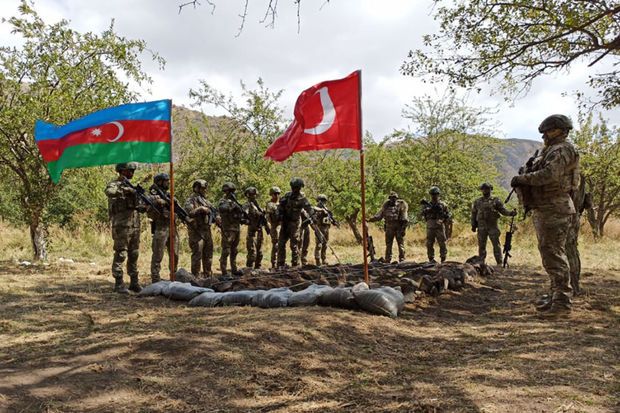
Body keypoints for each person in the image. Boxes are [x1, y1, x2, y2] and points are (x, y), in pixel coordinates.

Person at [510, 114, 580, 315]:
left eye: (549, 131)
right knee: (550, 255)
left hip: (555, 208)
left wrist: (523, 179)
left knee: (554, 255)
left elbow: (550, 175)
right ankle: (555, 296)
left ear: (560, 130)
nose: (545, 135)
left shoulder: (563, 149)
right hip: (546, 207)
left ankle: (562, 303)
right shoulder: (551, 150)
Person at [105, 162, 145, 294]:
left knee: (134, 254)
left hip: (134, 225)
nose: (132, 173)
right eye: (130, 171)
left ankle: (134, 282)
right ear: (122, 171)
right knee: (121, 253)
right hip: (121, 225)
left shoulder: (132, 186)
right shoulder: (115, 184)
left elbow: (140, 205)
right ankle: (119, 283)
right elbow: (109, 192)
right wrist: (123, 190)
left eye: (133, 171)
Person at [471, 183, 517, 265]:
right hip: (481, 227)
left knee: (496, 245)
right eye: (484, 189)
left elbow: (503, 211)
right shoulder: (477, 201)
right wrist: (473, 225)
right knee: (481, 245)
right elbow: (474, 214)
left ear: (490, 189)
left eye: (487, 188)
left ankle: (499, 262)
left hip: (492, 226)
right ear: (481, 190)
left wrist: (510, 213)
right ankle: (481, 262)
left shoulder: (496, 200)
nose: (485, 190)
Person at [147, 173, 179, 283]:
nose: (168, 182)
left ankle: (173, 275)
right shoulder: (153, 195)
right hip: (161, 227)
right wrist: (159, 202)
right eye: (166, 180)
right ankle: (155, 278)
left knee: (174, 253)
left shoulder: (169, 195)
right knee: (158, 254)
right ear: (160, 182)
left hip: (172, 227)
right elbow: (148, 205)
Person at [277, 178, 314, 267]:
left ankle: (295, 264)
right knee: (281, 243)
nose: (296, 189)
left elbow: (310, 209)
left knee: (294, 245)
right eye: (294, 187)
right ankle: (280, 263)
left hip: (295, 224)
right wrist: (279, 215)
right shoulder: (287, 196)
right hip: (285, 223)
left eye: (297, 187)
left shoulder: (302, 199)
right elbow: (280, 207)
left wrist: (312, 216)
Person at [185, 179, 219, 278]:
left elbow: (214, 211)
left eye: (205, 188)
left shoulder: (205, 201)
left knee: (208, 254)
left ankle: (208, 274)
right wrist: (200, 209)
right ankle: (196, 277)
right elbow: (189, 212)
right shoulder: (191, 200)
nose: (205, 190)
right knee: (197, 255)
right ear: (196, 188)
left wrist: (217, 216)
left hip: (206, 231)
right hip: (197, 231)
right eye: (202, 188)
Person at [566, 174, 592, 295]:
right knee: (573, 252)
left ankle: (572, 287)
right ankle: (574, 285)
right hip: (574, 219)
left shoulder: (570, 179)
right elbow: (588, 204)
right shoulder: (582, 179)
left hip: (568, 220)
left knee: (569, 253)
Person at [368, 191, 409, 263]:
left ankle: (402, 259)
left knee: (400, 244)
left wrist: (403, 229)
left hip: (398, 227)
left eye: (394, 198)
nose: (393, 199)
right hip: (389, 227)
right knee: (388, 244)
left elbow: (405, 219)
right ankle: (388, 259)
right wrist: (370, 219)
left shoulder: (401, 205)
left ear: (396, 198)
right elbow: (379, 216)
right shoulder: (386, 206)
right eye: (391, 198)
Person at [217, 182, 246, 276]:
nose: (233, 193)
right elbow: (222, 208)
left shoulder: (235, 202)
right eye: (231, 191)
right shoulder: (223, 201)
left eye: (233, 191)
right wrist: (232, 205)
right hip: (228, 229)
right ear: (226, 191)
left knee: (234, 250)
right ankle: (224, 271)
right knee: (226, 250)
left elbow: (241, 213)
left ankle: (234, 269)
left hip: (236, 228)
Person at [422, 186, 451, 263]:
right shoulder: (427, 204)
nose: (434, 196)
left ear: (438, 194)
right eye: (432, 194)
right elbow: (423, 213)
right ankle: (431, 258)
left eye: (435, 194)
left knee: (442, 243)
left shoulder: (443, 204)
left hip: (439, 226)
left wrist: (442, 219)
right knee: (429, 243)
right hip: (430, 225)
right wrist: (430, 210)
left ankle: (443, 258)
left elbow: (447, 215)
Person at [243, 186, 268, 269]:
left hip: (260, 230)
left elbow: (262, 217)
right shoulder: (247, 205)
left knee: (260, 252)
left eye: (254, 194)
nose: (254, 196)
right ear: (248, 195)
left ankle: (258, 268)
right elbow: (243, 215)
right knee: (252, 252)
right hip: (252, 231)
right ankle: (249, 268)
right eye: (252, 194)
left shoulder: (257, 205)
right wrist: (248, 221)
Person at [312, 194, 338, 266]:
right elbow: (313, 209)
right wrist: (322, 210)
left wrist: (334, 222)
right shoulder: (317, 208)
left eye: (324, 201)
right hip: (319, 227)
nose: (323, 202)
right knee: (319, 244)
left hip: (326, 228)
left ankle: (324, 259)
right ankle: (317, 260)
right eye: (322, 200)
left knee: (325, 244)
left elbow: (330, 218)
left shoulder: (326, 209)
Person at [265, 186, 281, 268]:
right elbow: (268, 217)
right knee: (276, 245)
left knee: (281, 245)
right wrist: (270, 227)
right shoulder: (270, 205)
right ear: (271, 194)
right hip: (275, 226)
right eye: (275, 194)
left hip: (282, 226)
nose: (277, 195)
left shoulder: (281, 203)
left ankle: (280, 262)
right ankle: (274, 263)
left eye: (278, 193)